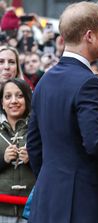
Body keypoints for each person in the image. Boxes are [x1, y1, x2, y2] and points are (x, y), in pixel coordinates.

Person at [26, 2, 98, 223]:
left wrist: (54, 179)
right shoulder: (90, 83)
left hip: (47, 202)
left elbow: (33, 145)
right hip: (80, 204)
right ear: (89, 36)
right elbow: (96, 142)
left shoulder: (44, 81)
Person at [0, 78, 34, 223]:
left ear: (27, 99)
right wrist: (3, 160)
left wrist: (32, 160)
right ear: (2, 102)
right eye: (8, 96)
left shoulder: (37, 131)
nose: (14, 101)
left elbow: (50, 167)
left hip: (31, 210)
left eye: (19, 96)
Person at [0, 46, 23, 122]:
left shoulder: (28, 96)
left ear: (17, 69)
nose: (6, 67)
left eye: (11, 62)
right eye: (1, 62)